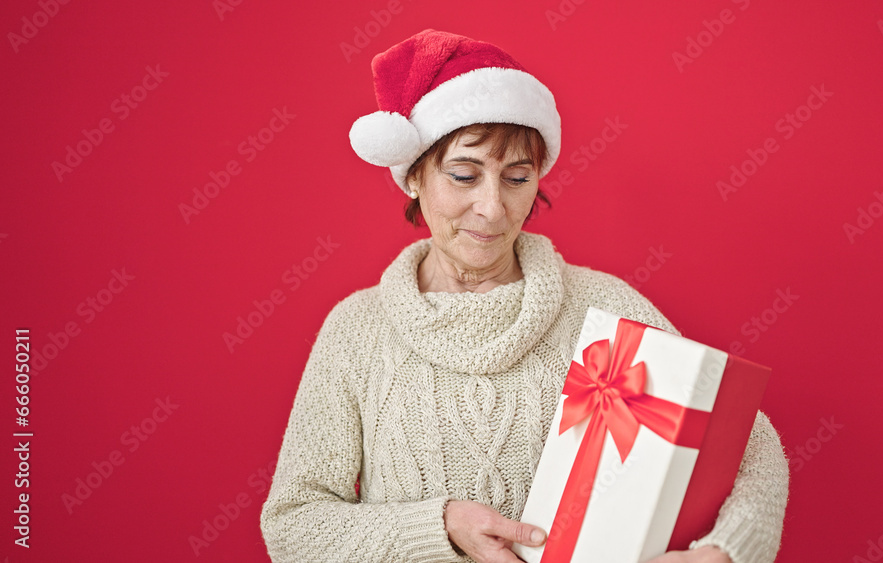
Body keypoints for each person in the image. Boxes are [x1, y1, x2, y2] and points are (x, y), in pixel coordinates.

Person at [260, 29, 789, 563]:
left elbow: (751, 448)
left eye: (517, 177)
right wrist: (441, 526)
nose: (493, 208)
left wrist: (724, 552)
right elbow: (294, 524)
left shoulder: (599, 307)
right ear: (414, 177)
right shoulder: (358, 330)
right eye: (465, 175)